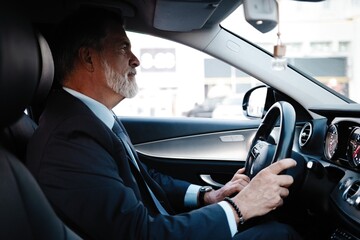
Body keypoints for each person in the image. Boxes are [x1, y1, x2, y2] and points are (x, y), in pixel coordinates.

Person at [26, 7, 302, 240]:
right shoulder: (68, 139)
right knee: (280, 234)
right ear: (88, 58)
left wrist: (210, 196)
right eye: (123, 48)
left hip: (157, 225)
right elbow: (138, 233)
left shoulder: (85, 116)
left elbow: (145, 178)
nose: (136, 60)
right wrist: (240, 207)